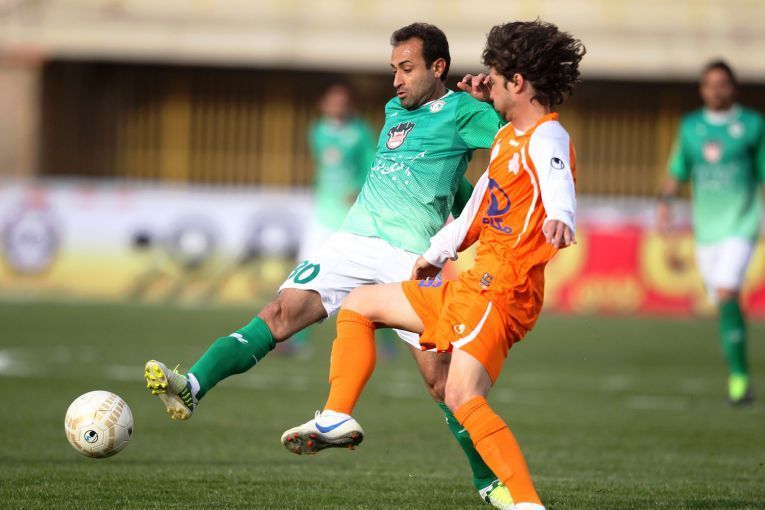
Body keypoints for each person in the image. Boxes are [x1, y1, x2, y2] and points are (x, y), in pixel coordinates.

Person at [145, 22, 515, 507]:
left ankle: (490, 483)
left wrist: (493, 106)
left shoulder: (466, 111)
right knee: (277, 314)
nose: (396, 81)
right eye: (393, 70)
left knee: (443, 381)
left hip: (409, 257)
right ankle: (192, 386)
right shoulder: (393, 112)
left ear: (438, 67)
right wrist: (459, 197)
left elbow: (517, 143)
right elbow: (440, 176)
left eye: (407, 69)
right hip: (350, 240)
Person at [282, 20, 583, 510]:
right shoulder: (508, 141)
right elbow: (474, 212)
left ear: (517, 82)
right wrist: (434, 253)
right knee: (359, 304)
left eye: (493, 77)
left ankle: (526, 502)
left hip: (502, 289)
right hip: (474, 284)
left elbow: (558, 180)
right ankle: (336, 415)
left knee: (462, 395)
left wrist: (561, 216)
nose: (482, 84)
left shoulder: (546, 136)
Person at [657, 60, 765, 405]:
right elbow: (677, 170)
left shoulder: (753, 125)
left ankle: (739, 378)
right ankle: (738, 357)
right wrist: (665, 203)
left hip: (742, 222)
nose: (716, 90)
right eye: (710, 85)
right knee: (722, 301)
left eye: (722, 84)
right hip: (706, 230)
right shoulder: (690, 127)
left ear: (733, 87)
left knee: (726, 288)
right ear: (702, 90)